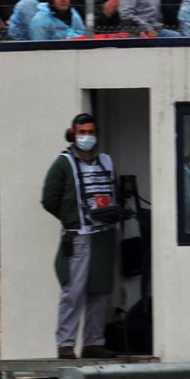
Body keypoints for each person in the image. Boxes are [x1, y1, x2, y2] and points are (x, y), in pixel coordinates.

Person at [41, 113, 122, 359]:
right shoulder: (63, 163)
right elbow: (49, 200)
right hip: (79, 235)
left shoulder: (106, 161)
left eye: (90, 132)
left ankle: (93, 342)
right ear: (73, 134)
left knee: (101, 291)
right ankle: (65, 344)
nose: (87, 137)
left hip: (104, 234)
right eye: (82, 132)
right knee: (73, 291)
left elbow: (113, 190)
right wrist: (71, 218)